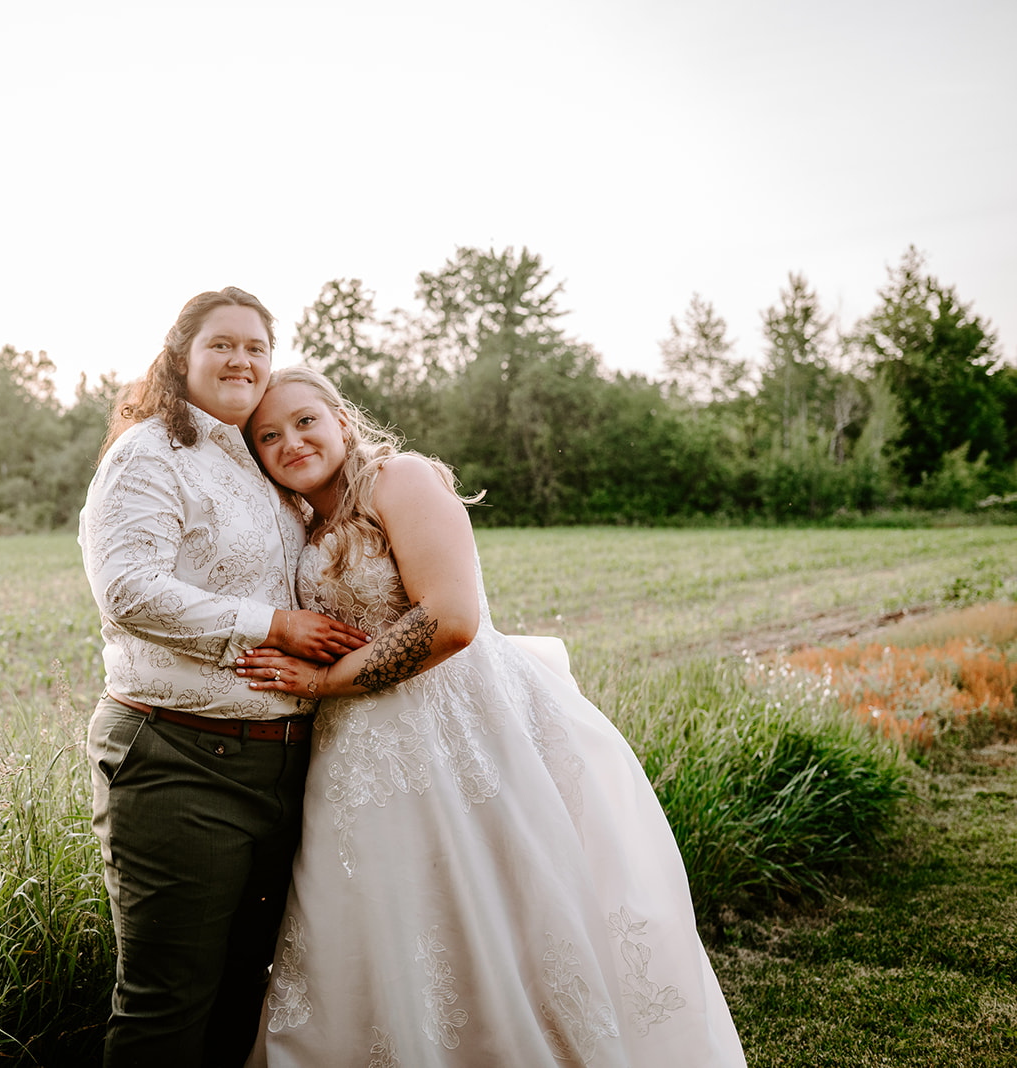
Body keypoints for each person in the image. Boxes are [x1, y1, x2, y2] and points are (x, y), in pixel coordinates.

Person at [234, 365, 747, 1067]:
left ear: (342, 422)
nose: (290, 441)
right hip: (356, 751)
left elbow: (451, 620)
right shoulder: (301, 519)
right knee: (368, 918)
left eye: (304, 421)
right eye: (268, 436)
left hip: (457, 727)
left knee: (494, 905)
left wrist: (324, 681)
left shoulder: (401, 479)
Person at [78, 290, 369, 1067]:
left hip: (283, 763)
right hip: (179, 760)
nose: (242, 360)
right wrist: (271, 626)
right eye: (222, 344)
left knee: (251, 989)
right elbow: (129, 590)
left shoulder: (265, 461)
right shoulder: (149, 454)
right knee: (166, 1007)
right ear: (181, 356)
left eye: (256, 347)